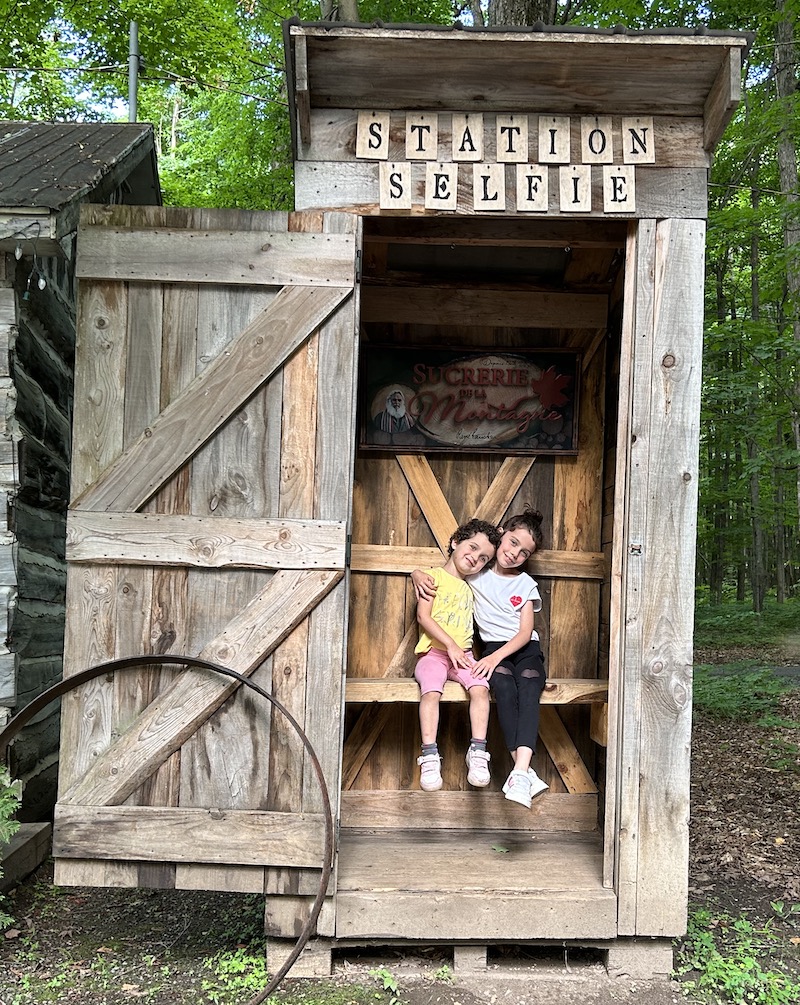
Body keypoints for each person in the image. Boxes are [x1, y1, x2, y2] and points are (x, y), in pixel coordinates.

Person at [413, 508, 548, 809]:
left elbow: (526, 633)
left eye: (524, 552)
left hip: (520, 649)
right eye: (512, 543)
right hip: (482, 653)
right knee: (500, 686)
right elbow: (446, 574)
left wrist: (492, 658)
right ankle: (524, 773)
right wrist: (416, 572)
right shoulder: (476, 576)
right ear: (502, 536)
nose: (515, 554)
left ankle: (520, 771)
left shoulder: (524, 583)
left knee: (526, 688)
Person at [413, 518, 502, 792]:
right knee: (431, 691)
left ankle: (477, 752)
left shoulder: (473, 587)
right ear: (455, 542)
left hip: (463, 657)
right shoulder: (433, 578)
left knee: (480, 689)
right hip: (434, 654)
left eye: (483, 557)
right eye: (472, 547)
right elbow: (423, 616)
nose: (475, 558)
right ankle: (429, 755)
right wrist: (416, 572)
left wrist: (459, 650)